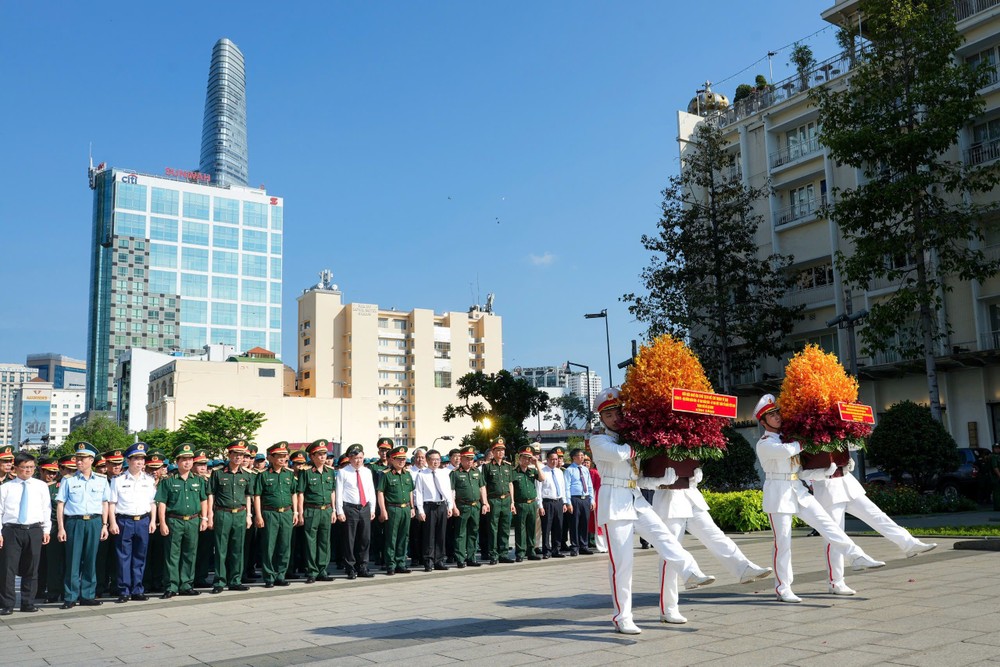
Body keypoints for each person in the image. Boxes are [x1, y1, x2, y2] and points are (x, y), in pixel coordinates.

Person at [589, 388, 716, 635]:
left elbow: (640, 478)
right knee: (623, 564)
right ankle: (622, 616)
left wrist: (660, 479)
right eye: (609, 415)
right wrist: (647, 440)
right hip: (614, 501)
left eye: (618, 412)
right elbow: (619, 454)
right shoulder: (599, 440)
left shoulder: (631, 438)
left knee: (664, 536)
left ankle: (690, 572)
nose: (615, 418)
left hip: (634, 496)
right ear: (601, 419)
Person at [754, 394, 885, 603]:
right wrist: (812, 436)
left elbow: (804, 471)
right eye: (771, 415)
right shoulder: (766, 443)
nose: (777, 417)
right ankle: (783, 587)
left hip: (798, 488)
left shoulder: (790, 438)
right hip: (778, 493)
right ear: (763, 422)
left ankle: (857, 556)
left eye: (777, 413)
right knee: (783, 543)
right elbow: (788, 450)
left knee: (828, 526)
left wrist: (828, 469)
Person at [647, 460, 772, 624]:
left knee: (716, 536)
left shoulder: (689, 444)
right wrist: (659, 481)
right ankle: (668, 608)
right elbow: (641, 479)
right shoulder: (654, 444)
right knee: (671, 554)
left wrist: (695, 475)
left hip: (691, 497)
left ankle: (744, 569)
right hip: (668, 500)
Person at [801, 447, 936, 596]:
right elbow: (805, 470)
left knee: (877, 516)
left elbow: (851, 445)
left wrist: (851, 447)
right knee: (835, 536)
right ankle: (836, 582)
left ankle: (909, 544)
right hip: (827, 489)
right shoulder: (807, 435)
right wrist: (819, 475)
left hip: (848, 484)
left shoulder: (834, 430)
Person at [56, 442, 110, 609]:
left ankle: (87, 595)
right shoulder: (69, 480)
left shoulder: (101, 480)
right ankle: (70, 596)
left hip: (94, 521)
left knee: (90, 559)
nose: (79, 462)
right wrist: (61, 527)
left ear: (91, 460)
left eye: (82, 458)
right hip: (75, 522)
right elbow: (60, 504)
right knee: (73, 560)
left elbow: (105, 503)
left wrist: (104, 525)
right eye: (77, 459)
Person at [0, 452, 51, 615]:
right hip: (11, 529)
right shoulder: (6, 487)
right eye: (24, 467)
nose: (28, 470)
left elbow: (46, 509)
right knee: (8, 568)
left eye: (31, 467)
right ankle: (7, 604)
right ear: (15, 468)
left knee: (32, 567)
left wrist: (46, 529)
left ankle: (28, 602)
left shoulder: (41, 486)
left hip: (34, 529)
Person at [155, 444, 209, 599]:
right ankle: (171, 586)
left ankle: (186, 585)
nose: (187, 462)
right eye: (184, 459)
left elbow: (203, 500)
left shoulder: (198, 480)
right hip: (174, 521)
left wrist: (204, 518)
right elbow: (162, 502)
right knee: (172, 554)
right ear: (177, 461)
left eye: (190, 459)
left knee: (190, 554)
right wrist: (163, 522)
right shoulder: (168, 481)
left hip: (193, 520)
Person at [108, 442, 157, 603]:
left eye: (142, 459)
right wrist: (112, 523)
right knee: (123, 557)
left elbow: (152, 503)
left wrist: (153, 521)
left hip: (143, 520)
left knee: (140, 557)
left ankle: (137, 589)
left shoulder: (149, 480)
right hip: (124, 521)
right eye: (136, 459)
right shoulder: (118, 480)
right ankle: (124, 590)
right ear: (128, 461)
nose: (140, 462)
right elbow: (112, 503)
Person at [208, 440, 253, 594]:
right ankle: (219, 581)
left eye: (241, 455)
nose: (238, 457)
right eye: (236, 454)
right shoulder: (218, 473)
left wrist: (249, 515)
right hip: (222, 513)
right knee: (221, 549)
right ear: (229, 455)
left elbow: (248, 496)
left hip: (240, 514)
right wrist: (210, 514)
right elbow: (211, 495)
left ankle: (235, 580)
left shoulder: (247, 474)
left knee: (237, 549)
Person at [254, 442, 297, 588]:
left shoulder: (289, 474)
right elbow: (257, 496)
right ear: (271, 458)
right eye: (278, 456)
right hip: (270, 513)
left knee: (285, 545)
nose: (282, 459)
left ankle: (281, 575)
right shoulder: (264, 475)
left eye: (284, 456)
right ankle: (269, 577)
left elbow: (294, 493)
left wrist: (295, 512)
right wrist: (258, 515)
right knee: (269, 546)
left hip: (286, 512)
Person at [336, 444, 376, 579]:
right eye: (355, 458)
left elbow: (371, 491)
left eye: (360, 458)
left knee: (365, 539)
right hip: (350, 508)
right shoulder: (343, 472)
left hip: (364, 507)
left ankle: (363, 566)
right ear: (350, 458)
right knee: (349, 539)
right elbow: (339, 492)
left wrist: (373, 508)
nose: (358, 461)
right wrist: (339, 511)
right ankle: (350, 567)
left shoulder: (367, 471)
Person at [413, 449, 454, 572]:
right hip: (428, 506)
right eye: (432, 459)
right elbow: (418, 493)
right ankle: (428, 561)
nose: (435, 462)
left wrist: (450, 506)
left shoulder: (444, 473)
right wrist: (420, 510)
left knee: (441, 534)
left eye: (437, 459)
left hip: (441, 505)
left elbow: (448, 490)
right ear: (427, 460)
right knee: (428, 535)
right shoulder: (422, 474)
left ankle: (439, 560)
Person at [377, 445, 415, 575]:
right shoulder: (386, 475)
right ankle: (390, 564)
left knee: (404, 537)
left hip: (405, 508)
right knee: (391, 537)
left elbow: (410, 491)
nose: (402, 461)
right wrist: (383, 510)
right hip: (393, 509)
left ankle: (401, 563)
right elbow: (380, 492)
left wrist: (412, 507)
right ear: (392, 460)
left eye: (403, 459)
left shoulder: (407, 475)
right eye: (398, 459)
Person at [451, 445, 488, 568]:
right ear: (461, 459)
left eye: (472, 459)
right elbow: (451, 492)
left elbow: (482, 488)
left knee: (473, 532)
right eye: (467, 458)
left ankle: (471, 557)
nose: (470, 461)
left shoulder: (476, 471)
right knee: (460, 533)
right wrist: (454, 507)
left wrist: (485, 503)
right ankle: (460, 558)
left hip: (475, 506)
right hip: (462, 506)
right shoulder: (455, 473)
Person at [482, 438, 516, 564]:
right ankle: (493, 554)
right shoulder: (487, 466)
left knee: (505, 528)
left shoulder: (508, 466)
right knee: (493, 529)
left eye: (502, 450)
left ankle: (503, 553)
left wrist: (512, 502)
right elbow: (483, 485)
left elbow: (510, 484)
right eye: (498, 450)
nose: (501, 452)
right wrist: (485, 502)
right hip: (493, 500)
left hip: (506, 500)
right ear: (493, 451)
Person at [511, 444, 546, 562]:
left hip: (532, 503)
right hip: (520, 503)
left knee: (531, 528)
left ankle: (531, 551)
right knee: (520, 529)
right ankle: (520, 552)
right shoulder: (514, 472)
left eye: (528, 458)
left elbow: (542, 478)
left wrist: (536, 464)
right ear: (519, 458)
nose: (526, 460)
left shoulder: (532, 471)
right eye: (524, 458)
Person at [537, 447, 569, 559]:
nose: (554, 461)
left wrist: (564, 503)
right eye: (552, 459)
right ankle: (546, 550)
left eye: (556, 459)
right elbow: (538, 490)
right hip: (547, 502)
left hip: (558, 502)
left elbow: (563, 488)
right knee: (546, 528)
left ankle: (556, 549)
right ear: (547, 459)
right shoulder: (542, 472)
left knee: (558, 527)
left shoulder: (559, 472)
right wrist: (540, 506)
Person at [564, 448, 594, 556]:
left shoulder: (585, 470)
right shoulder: (569, 470)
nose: (582, 458)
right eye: (580, 456)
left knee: (584, 523)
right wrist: (568, 502)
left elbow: (589, 485)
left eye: (583, 455)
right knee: (574, 524)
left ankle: (584, 546)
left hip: (585, 498)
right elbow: (566, 487)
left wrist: (592, 499)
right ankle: (575, 546)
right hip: (574, 499)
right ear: (574, 457)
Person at [991, 442, 1000, 511]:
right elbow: (995, 467)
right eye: (996, 448)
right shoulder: (993, 457)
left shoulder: (998, 456)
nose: (997, 449)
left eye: (998, 448)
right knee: (997, 492)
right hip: (996, 477)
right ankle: (997, 506)